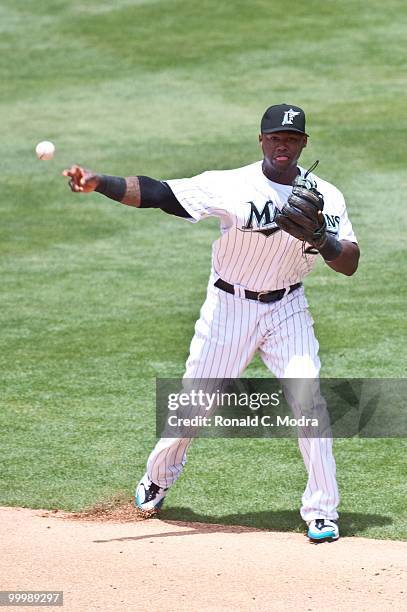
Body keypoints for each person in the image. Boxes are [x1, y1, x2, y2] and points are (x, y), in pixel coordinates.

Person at [63, 103, 359, 543]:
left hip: (287, 309)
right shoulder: (231, 185)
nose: (283, 145)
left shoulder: (327, 196)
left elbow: (350, 262)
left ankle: (322, 511)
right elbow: (159, 193)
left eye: (292, 139)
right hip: (229, 307)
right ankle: (158, 478)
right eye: (275, 137)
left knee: (309, 401)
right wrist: (99, 182)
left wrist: (320, 237)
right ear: (261, 140)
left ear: (303, 145)